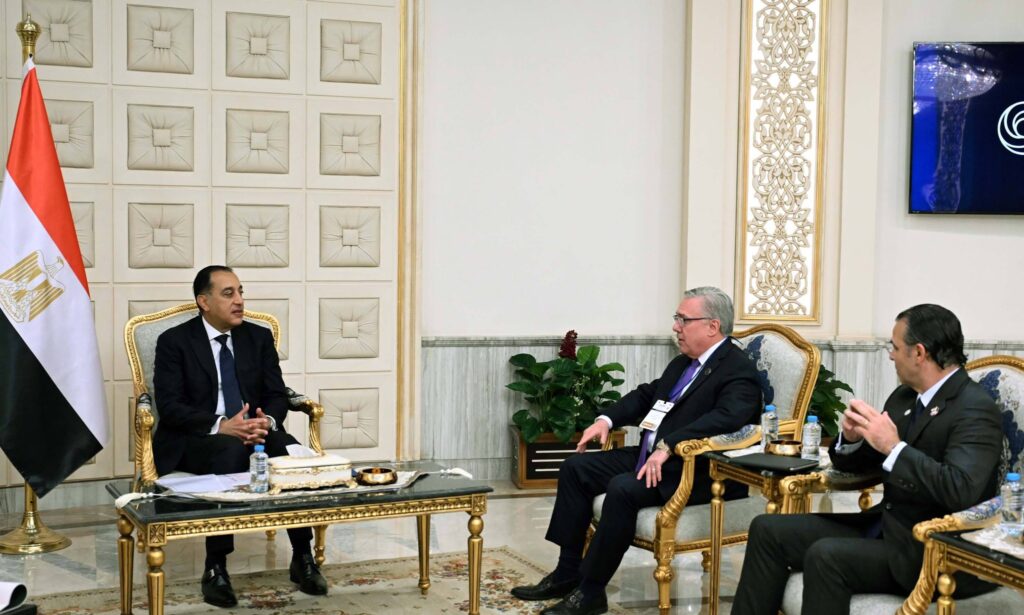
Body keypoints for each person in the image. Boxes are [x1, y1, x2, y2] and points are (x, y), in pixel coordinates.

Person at [732, 304, 1001, 615]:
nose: (890, 355)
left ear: (919, 353)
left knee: (826, 555)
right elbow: (861, 464)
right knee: (767, 530)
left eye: (894, 347)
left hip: (934, 550)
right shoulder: (904, 397)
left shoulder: (974, 408)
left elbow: (960, 489)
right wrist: (852, 440)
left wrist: (895, 448)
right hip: (886, 527)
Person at [511, 287, 763, 615]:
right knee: (576, 468)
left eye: (683, 320)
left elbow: (727, 418)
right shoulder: (684, 363)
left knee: (623, 489)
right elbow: (647, 396)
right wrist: (605, 419)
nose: (675, 326)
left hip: (697, 470)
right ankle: (567, 572)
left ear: (712, 326)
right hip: (651, 457)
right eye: (676, 318)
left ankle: (590, 592)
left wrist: (670, 445)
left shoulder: (737, 369)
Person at [153, 265, 327, 608]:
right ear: (204, 301)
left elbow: (276, 394)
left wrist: (266, 421)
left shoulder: (257, 337)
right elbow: (170, 406)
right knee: (230, 451)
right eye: (228, 293)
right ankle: (215, 566)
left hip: (254, 430)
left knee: (287, 451)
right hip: (198, 438)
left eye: (241, 292)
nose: (239, 301)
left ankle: (302, 556)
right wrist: (221, 425)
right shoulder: (174, 342)